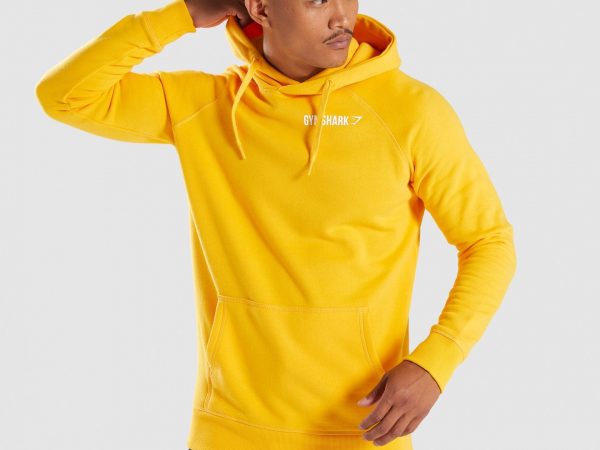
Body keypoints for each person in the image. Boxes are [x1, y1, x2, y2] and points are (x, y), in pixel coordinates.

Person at [35, 0, 517, 448]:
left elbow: (488, 241)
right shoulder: (206, 105)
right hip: (230, 428)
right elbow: (64, 96)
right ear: (261, 7)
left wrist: (437, 362)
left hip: (364, 428)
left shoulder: (412, 111)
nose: (341, 17)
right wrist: (184, 14)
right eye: (316, 0)